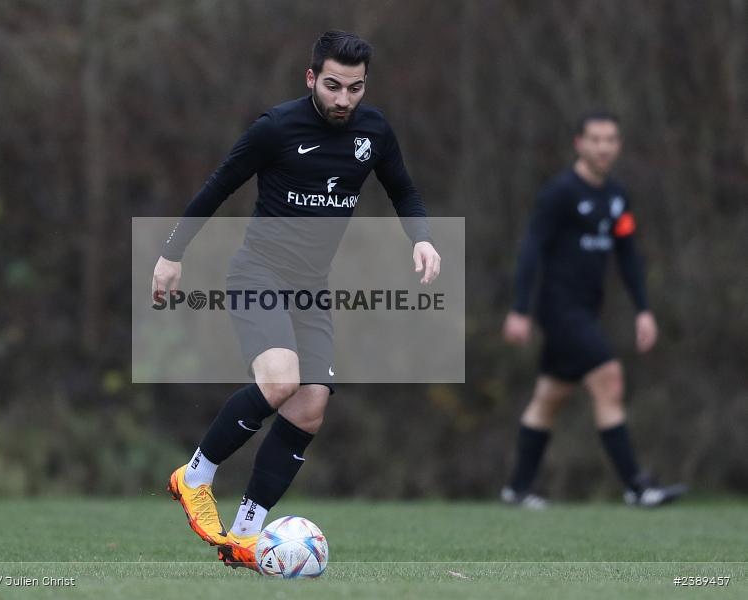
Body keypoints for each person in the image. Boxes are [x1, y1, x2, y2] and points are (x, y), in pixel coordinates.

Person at [152, 30, 440, 571]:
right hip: (258, 273)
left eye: (354, 88)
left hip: (312, 288)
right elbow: (218, 185)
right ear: (311, 78)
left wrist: (421, 236)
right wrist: (172, 254)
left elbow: (403, 188)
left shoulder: (374, 132)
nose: (343, 99)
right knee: (280, 382)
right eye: (332, 85)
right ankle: (195, 476)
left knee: (309, 406)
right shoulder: (277, 127)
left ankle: (243, 536)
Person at [501, 110, 685, 509]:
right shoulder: (559, 193)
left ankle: (516, 489)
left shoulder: (617, 197)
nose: (603, 147)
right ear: (579, 144)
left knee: (549, 397)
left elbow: (629, 253)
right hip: (560, 309)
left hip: (587, 309)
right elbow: (532, 248)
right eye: (596, 139)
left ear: (617, 146)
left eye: (611, 140)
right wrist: (520, 309)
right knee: (609, 378)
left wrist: (643, 309)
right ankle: (637, 487)